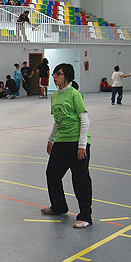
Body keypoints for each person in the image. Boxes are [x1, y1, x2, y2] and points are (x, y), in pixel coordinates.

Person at [40, 63, 92, 229]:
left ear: (67, 77)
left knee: (80, 180)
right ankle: (59, 207)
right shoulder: (55, 96)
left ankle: (85, 216)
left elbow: (84, 119)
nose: (54, 76)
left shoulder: (74, 94)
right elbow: (57, 120)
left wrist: (82, 145)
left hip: (77, 142)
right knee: (52, 174)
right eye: (54, 73)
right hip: (61, 142)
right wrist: (51, 139)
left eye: (59, 74)